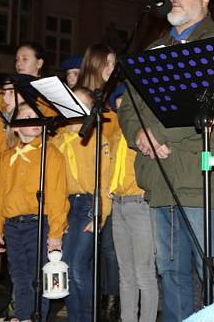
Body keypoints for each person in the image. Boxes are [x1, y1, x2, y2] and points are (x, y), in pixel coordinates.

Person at [117, 0, 214, 321]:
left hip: (202, 180)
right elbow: (130, 107)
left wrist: (160, 137)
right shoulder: (153, 50)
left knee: (211, 268)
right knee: (170, 271)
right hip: (161, 178)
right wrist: (139, 136)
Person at [0, 102, 68, 322]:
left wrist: (56, 232)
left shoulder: (50, 155)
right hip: (13, 226)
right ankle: (24, 316)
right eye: (27, 116)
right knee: (20, 276)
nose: (34, 121)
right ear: (15, 126)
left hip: (38, 223)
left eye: (37, 116)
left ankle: (35, 318)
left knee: (37, 278)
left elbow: (56, 195)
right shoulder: (7, 158)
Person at [51, 86, 112, 322]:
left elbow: (104, 180)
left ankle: (88, 317)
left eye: (81, 104)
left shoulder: (98, 140)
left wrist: (101, 213)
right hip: (65, 206)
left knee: (77, 266)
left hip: (88, 203)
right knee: (65, 266)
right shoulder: (57, 142)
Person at [76, 43, 121, 321]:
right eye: (107, 63)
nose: (111, 69)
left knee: (108, 247)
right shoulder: (78, 97)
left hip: (109, 183)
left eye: (114, 64)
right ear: (94, 64)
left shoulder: (113, 99)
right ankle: (87, 300)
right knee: (83, 251)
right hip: (80, 186)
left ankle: (111, 301)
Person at [108, 84, 159, 322]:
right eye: (119, 110)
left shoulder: (143, 135)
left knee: (144, 273)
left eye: (126, 108)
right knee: (125, 274)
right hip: (118, 204)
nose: (122, 115)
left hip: (139, 203)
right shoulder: (116, 136)